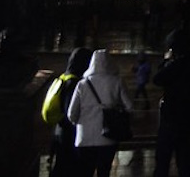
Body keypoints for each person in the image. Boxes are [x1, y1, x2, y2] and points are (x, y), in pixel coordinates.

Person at [67, 49, 133, 177]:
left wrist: (80, 122)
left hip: (84, 138)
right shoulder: (117, 82)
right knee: (104, 171)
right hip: (108, 137)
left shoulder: (82, 84)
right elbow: (129, 106)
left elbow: (71, 114)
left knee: (85, 171)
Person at [153, 28, 190, 177]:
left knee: (163, 159)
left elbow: (157, 78)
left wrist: (165, 60)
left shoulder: (177, 64)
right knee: (186, 161)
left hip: (171, 117)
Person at [47, 47, 93, 177]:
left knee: (61, 166)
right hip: (68, 134)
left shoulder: (64, 77)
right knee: (68, 167)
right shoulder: (74, 83)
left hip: (59, 131)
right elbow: (70, 113)